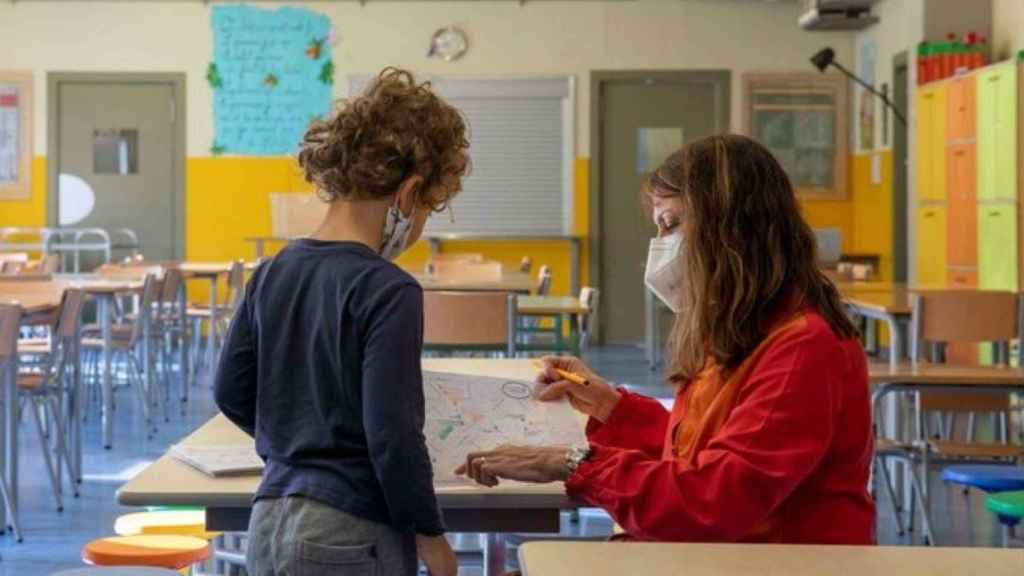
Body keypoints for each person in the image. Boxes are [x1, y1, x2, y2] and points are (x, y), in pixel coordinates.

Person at [457, 134, 876, 544]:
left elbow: (713, 499)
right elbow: (700, 452)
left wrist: (573, 464)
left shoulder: (802, 348)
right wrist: (612, 409)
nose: (660, 247)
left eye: (671, 224)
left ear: (731, 232)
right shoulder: (745, 326)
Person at [215, 68, 469, 575]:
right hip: (351, 533)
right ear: (408, 192)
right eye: (427, 209)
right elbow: (392, 434)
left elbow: (230, 391)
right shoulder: (389, 289)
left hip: (269, 523)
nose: (419, 224)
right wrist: (432, 538)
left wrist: (300, 445)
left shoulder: (271, 272)